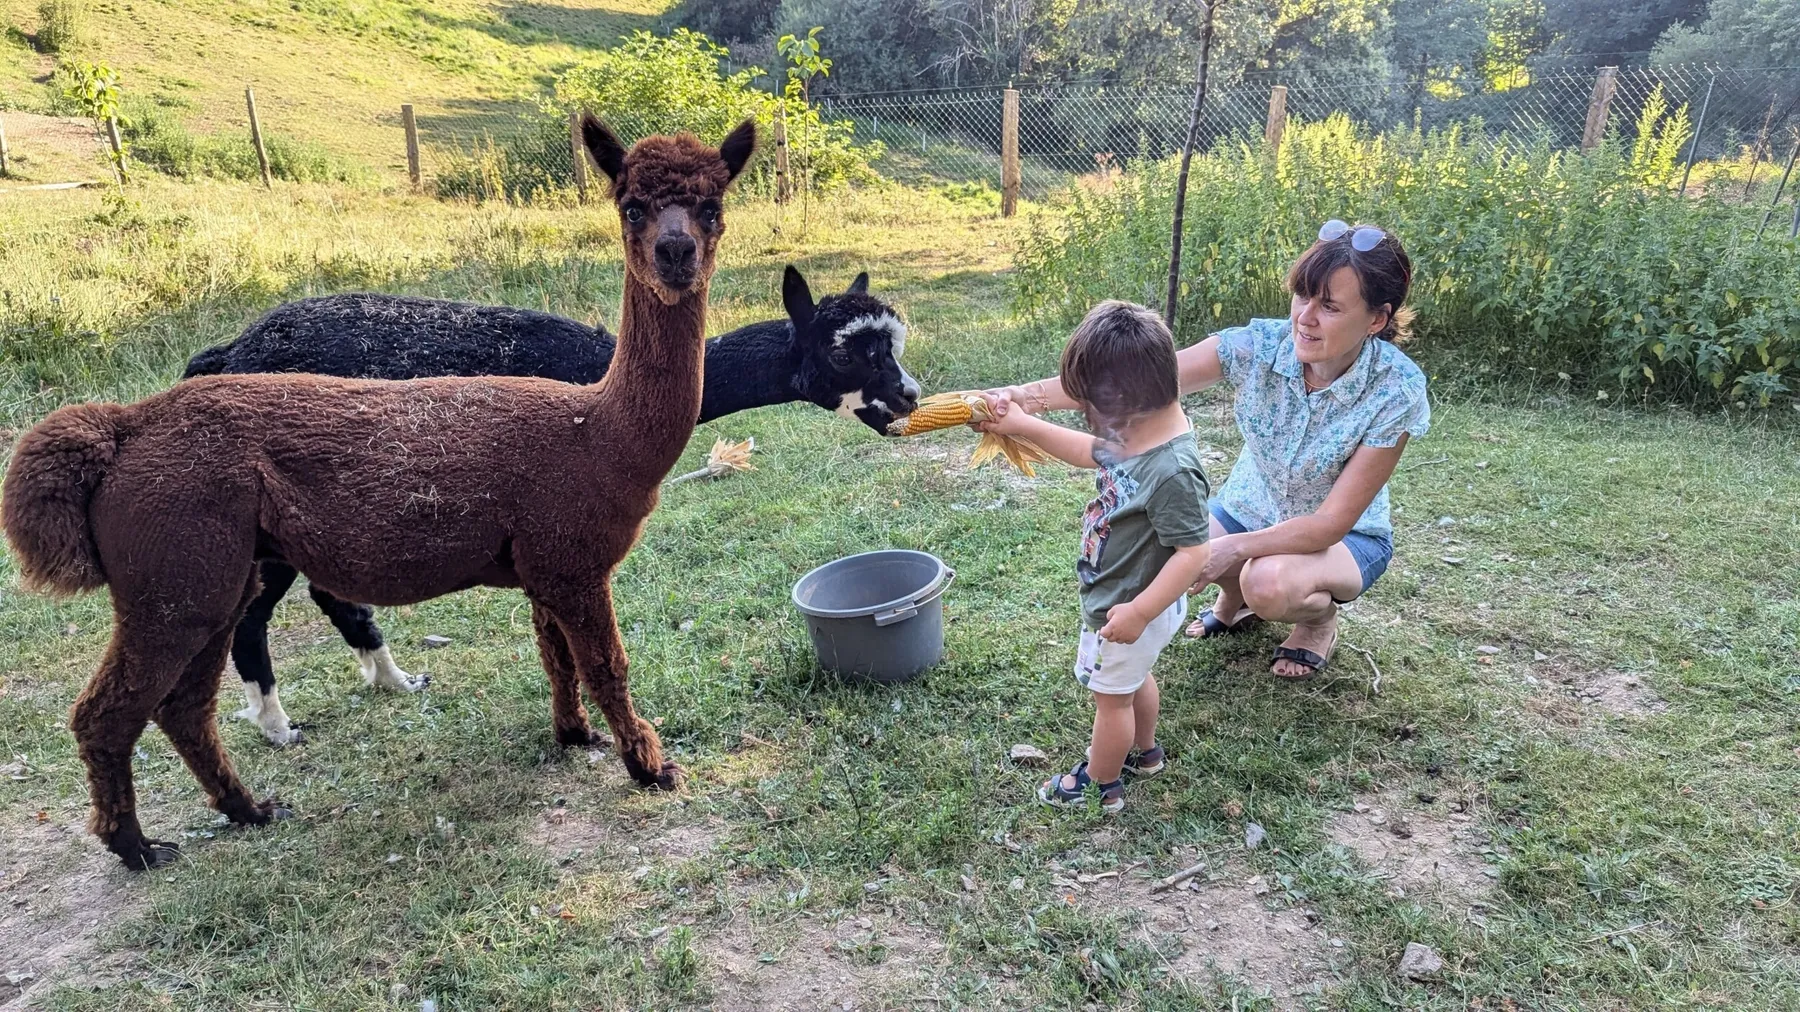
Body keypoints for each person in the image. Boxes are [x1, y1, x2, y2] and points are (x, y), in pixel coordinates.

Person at [984, 221, 1429, 681]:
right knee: (1164, 539)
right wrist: (1023, 396)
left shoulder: (1397, 390)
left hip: (1345, 539)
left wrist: (1228, 548)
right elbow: (1136, 379)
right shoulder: (1260, 346)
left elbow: (1329, 523)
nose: (1305, 317)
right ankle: (1235, 602)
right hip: (1250, 506)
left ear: (1377, 319)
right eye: (1302, 296)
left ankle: (1316, 622)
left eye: (1330, 306)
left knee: (1267, 581)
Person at [984, 300, 1212, 813]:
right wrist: (1021, 422)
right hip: (1132, 605)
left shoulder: (1171, 470)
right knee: (1133, 679)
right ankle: (1145, 752)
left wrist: (1139, 611)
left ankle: (1099, 781)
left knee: (1110, 701)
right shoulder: (1137, 433)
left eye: (1089, 405)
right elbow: (1088, 450)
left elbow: (1193, 552)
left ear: (1122, 403)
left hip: (1129, 605)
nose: (1086, 415)